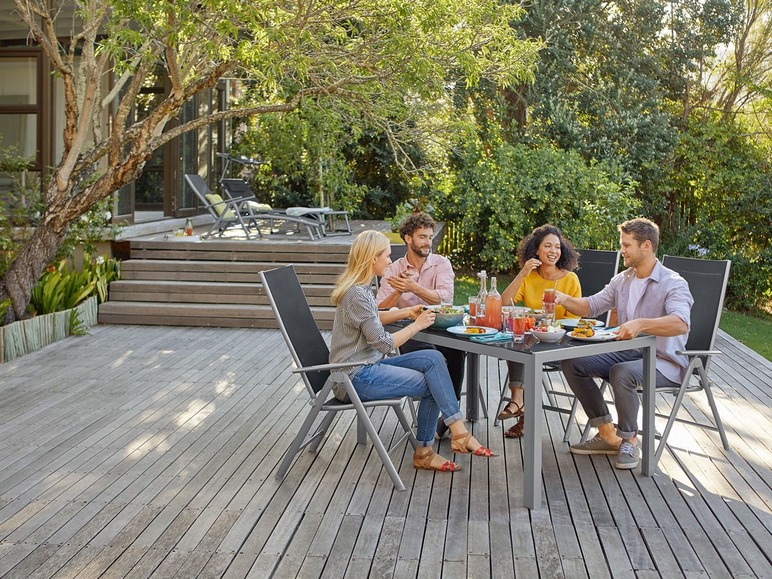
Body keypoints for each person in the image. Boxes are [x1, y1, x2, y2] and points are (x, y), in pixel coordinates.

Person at [329, 230, 495, 473]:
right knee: (433, 383)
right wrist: (417, 325)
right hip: (353, 376)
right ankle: (427, 450)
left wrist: (408, 312)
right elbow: (384, 344)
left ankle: (456, 431)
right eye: (386, 255)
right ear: (372, 258)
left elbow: (374, 318)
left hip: (368, 366)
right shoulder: (357, 294)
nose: (389, 261)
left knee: (434, 358)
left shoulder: (360, 289)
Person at [555, 218, 693, 469]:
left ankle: (629, 440)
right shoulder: (623, 280)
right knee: (572, 362)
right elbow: (591, 306)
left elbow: (680, 323)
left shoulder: (673, 282)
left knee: (622, 372)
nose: (622, 251)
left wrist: (640, 324)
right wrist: (562, 298)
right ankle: (608, 434)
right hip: (627, 353)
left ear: (646, 246)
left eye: (627, 245)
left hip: (663, 362)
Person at [376, 212, 466, 439]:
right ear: (408, 238)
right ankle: (450, 418)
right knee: (435, 360)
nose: (428, 242)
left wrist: (413, 287)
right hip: (409, 330)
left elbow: (446, 297)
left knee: (457, 350)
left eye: (430, 237)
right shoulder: (394, 268)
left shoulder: (441, 263)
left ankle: (448, 414)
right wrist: (399, 290)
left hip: (440, 326)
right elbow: (379, 309)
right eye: (422, 237)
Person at [498, 224, 581, 438]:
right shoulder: (530, 276)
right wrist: (522, 274)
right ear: (536, 249)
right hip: (532, 339)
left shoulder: (570, 279)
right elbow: (503, 303)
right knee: (518, 338)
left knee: (522, 342)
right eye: (548, 246)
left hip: (560, 340)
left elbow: (574, 320)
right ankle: (518, 400)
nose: (553, 251)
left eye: (557, 247)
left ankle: (519, 405)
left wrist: (549, 325)